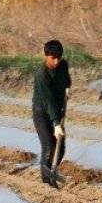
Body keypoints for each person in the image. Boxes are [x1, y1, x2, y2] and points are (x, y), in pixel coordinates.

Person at [32, 39, 71, 188]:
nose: (56, 62)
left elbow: (66, 79)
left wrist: (67, 88)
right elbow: (48, 101)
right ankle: (46, 182)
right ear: (46, 56)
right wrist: (55, 124)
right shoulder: (41, 74)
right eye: (53, 58)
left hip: (57, 111)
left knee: (60, 149)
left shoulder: (63, 65)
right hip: (42, 112)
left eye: (58, 58)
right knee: (48, 146)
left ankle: (51, 172)